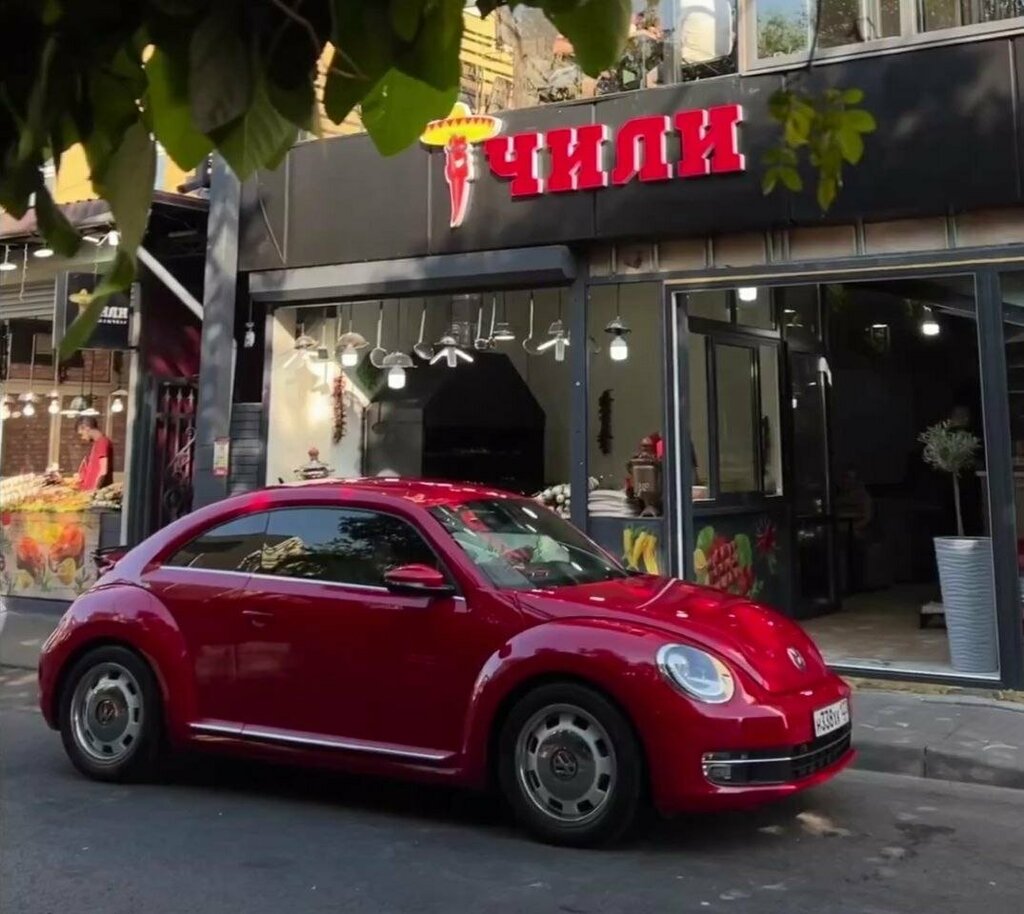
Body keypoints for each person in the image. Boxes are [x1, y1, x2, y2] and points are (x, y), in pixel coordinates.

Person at [76, 417, 113, 491]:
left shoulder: (102, 442)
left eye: (81, 434)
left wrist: (95, 489)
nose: (82, 438)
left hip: (94, 491)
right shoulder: (97, 443)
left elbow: (103, 470)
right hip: (88, 490)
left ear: (86, 428)